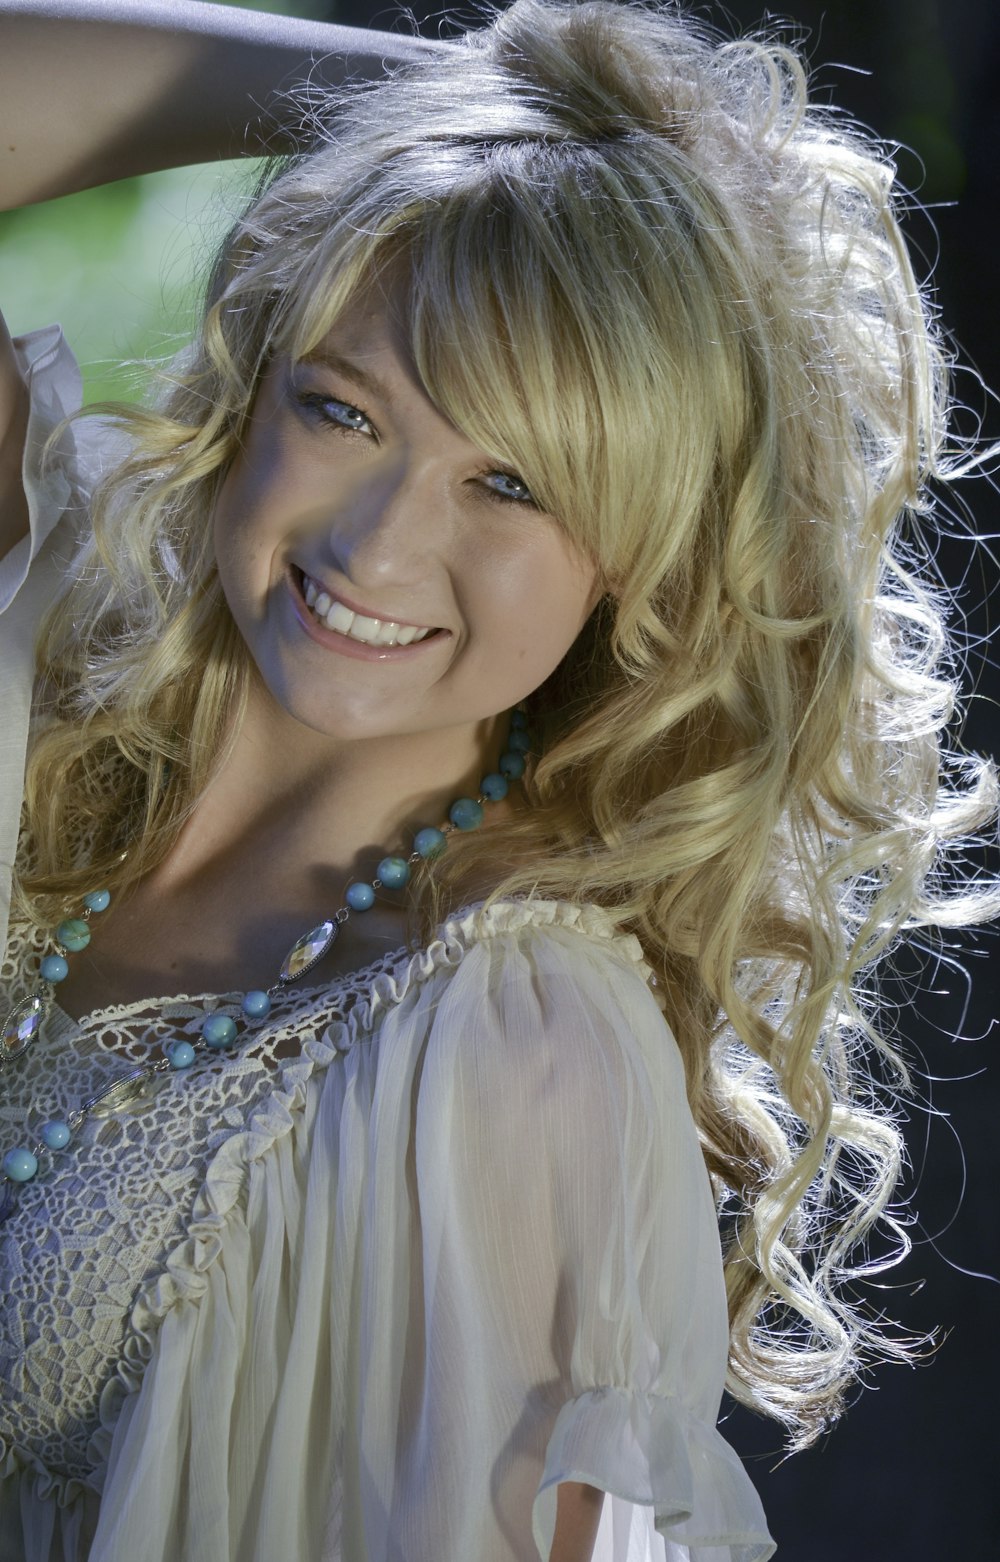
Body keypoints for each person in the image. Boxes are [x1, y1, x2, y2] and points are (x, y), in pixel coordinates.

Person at [0, 1, 995, 1558]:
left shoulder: (511, 1057)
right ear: (259, 375)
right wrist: (485, 120)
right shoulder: (56, 654)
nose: (378, 544)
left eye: (510, 482)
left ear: (636, 561)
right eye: (344, 409)